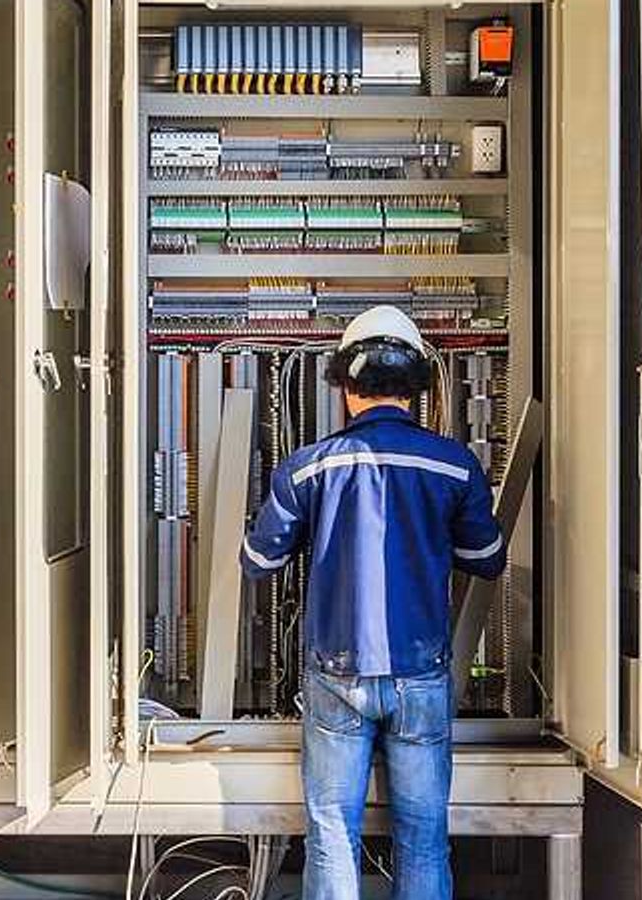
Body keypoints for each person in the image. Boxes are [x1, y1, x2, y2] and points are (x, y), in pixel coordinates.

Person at [239, 305, 506, 900]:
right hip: (419, 677)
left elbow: (258, 563)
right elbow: (487, 557)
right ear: (417, 385)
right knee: (423, 835)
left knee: (333, 830)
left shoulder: (308, 468)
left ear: (344, 383)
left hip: (336, 675)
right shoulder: (453, 465)